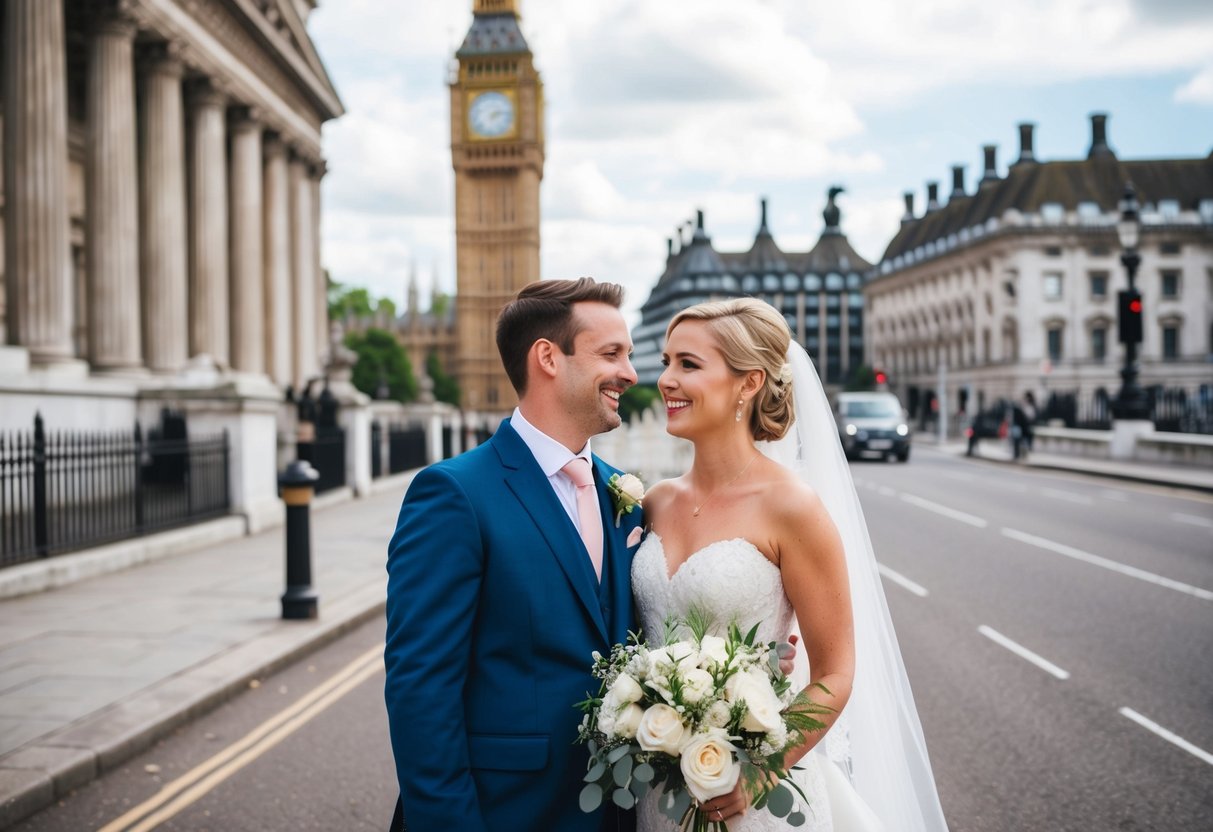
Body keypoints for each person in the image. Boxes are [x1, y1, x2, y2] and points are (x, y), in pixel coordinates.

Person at [633, 299, 947, 831]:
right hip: (658, 790)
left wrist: (759, 772)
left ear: (748, 382)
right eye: (665, 361)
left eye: (688, 364)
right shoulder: (655, 502)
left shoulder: (791, 507)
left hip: (751, 799)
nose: (665, 379)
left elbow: (834, 673)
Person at [384, 278, 644, 831]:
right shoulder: (455, 494)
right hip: (507, 813)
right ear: (548, 358)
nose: (631, 373)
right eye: (612, 354)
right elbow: (421, 691)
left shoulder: (623, 493)